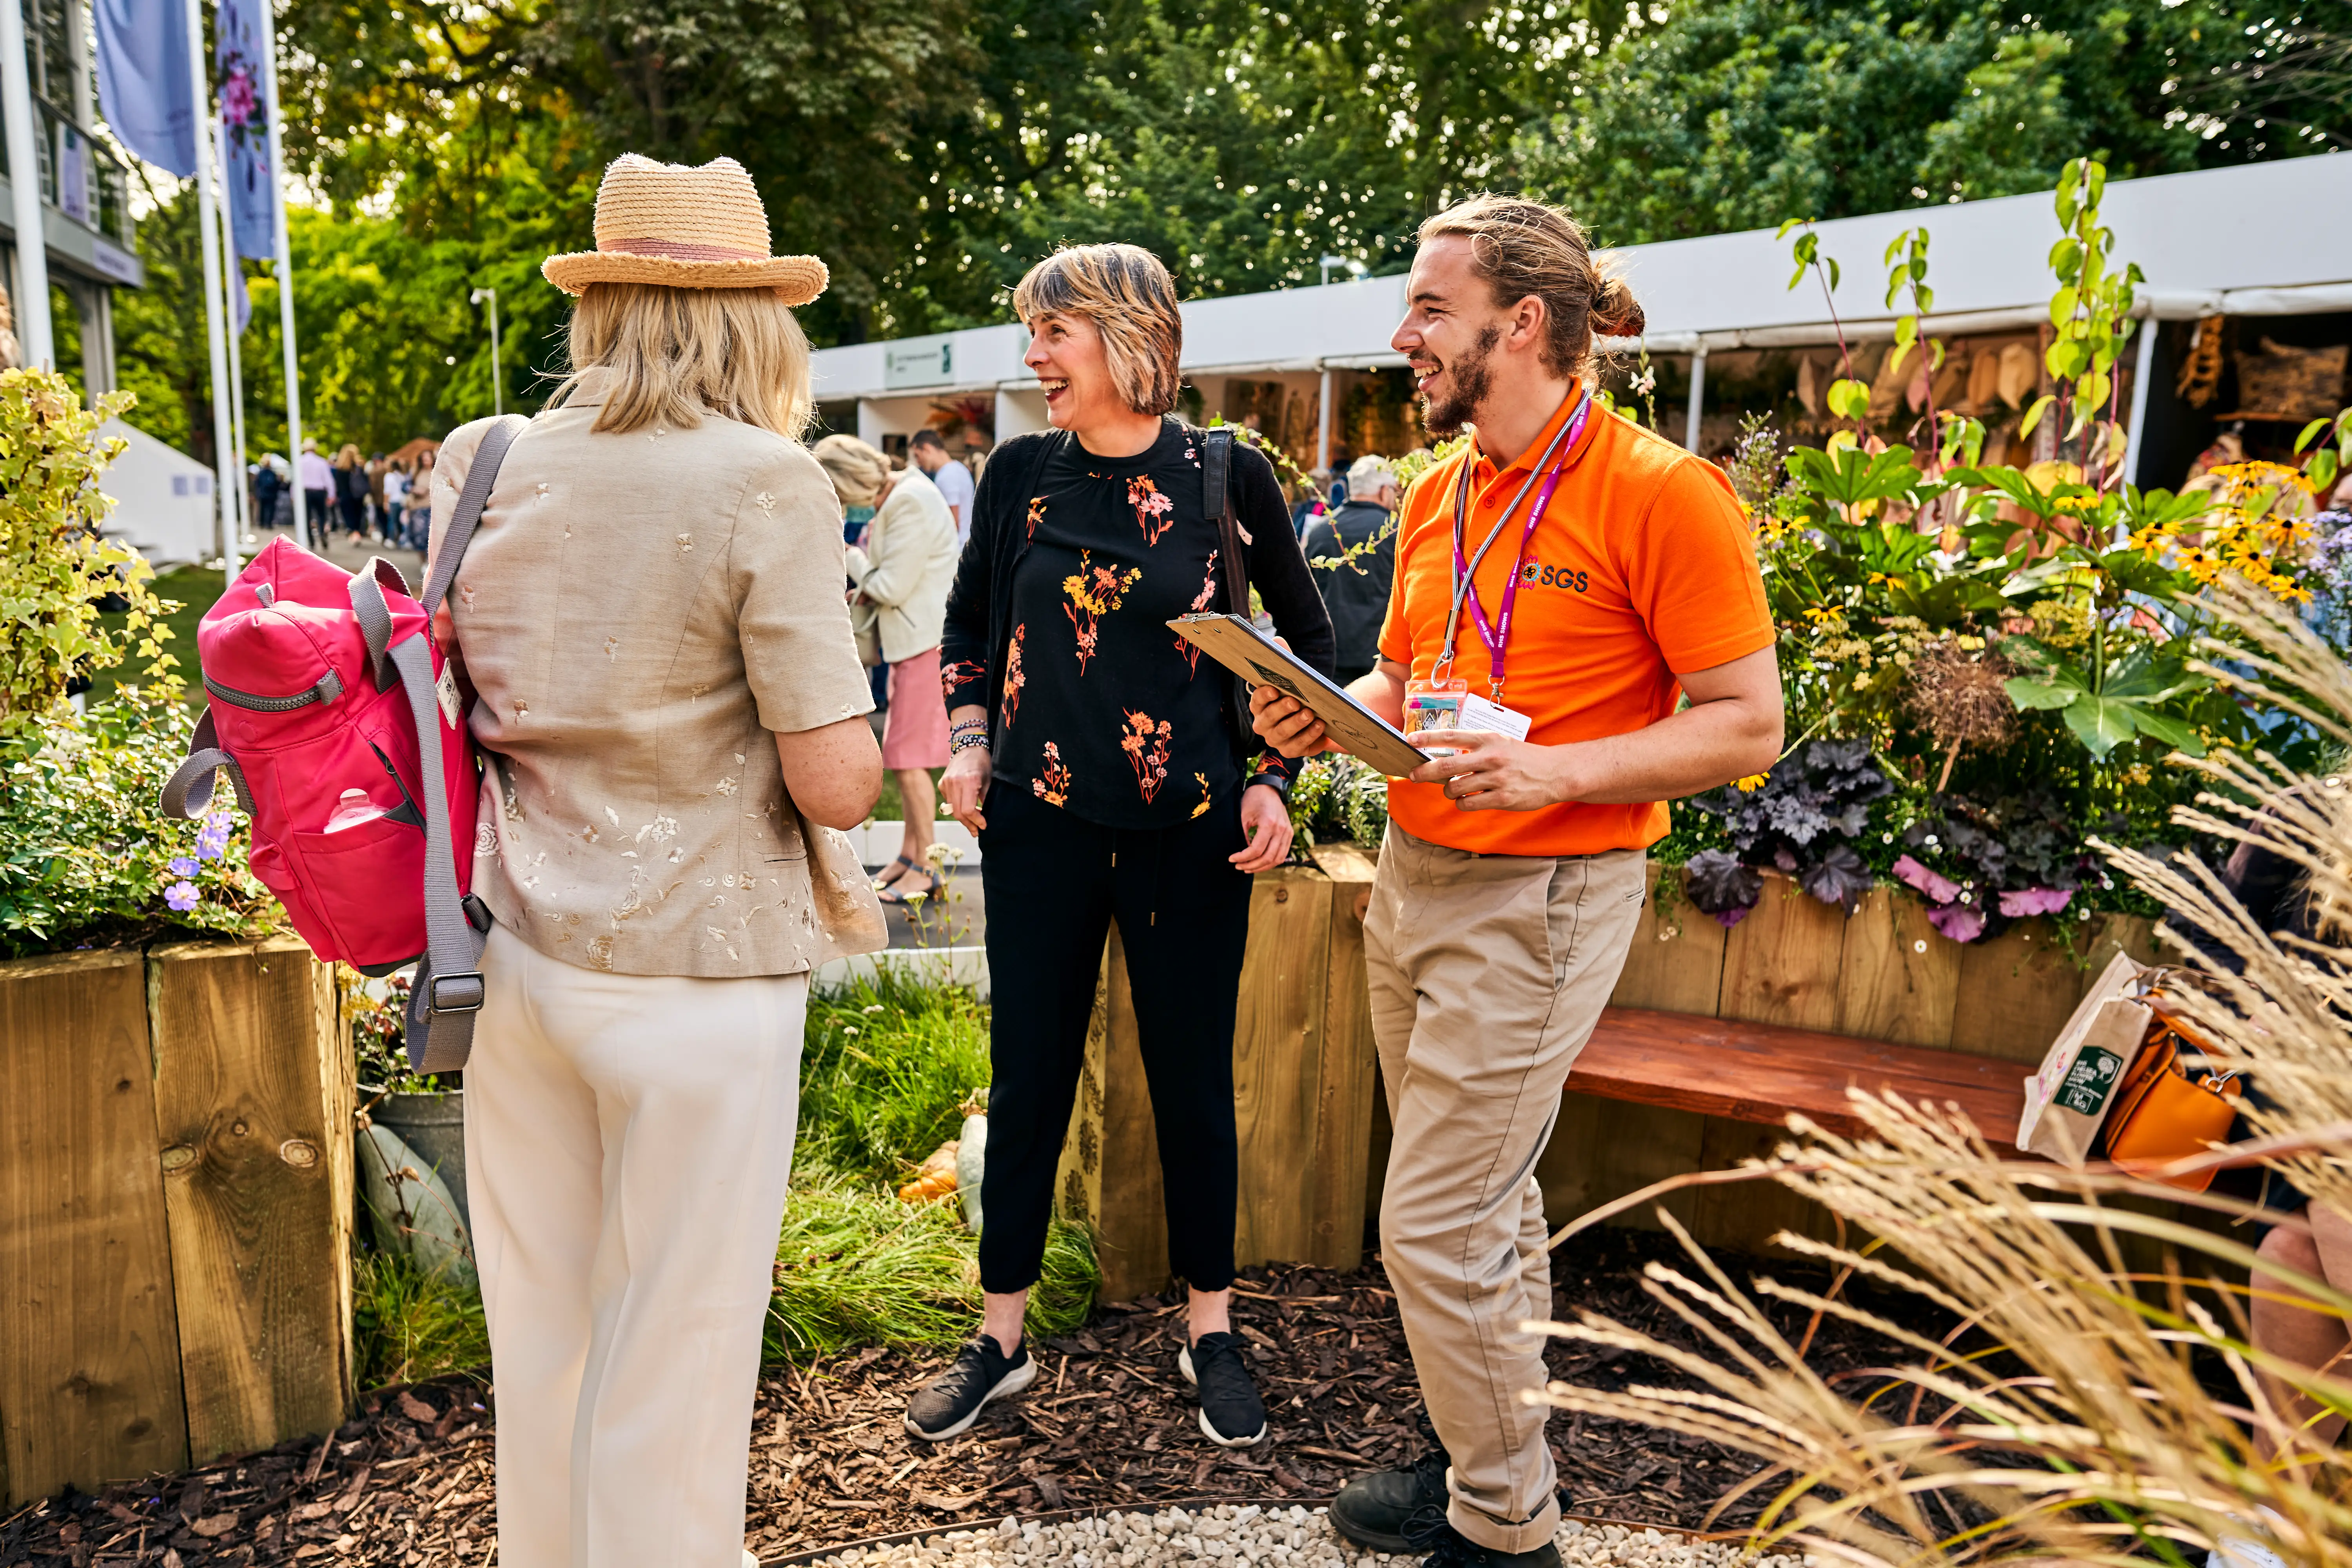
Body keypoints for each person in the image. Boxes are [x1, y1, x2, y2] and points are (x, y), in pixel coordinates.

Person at [1250, 194, 1783, 1568]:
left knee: (1436, 1218)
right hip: (1417, 873)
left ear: (1522, 322)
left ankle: (1505, 1533)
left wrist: (1555, 774)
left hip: (1545, 900)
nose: (1403, 336)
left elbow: (1746, 723)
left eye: (1430, 309)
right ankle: (1467, 1442)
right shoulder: (1442, 486)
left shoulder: (1665, 493)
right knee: (1495, 1203)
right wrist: (1330, 704)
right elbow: (1413, 676)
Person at [425, 153, 884, 1568]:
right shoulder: (767, 481)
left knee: (545, 1329)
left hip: (514, 955)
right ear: (753, 320)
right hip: (700, 966)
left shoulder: (483, 456)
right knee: (674, 1354)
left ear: (600, 308)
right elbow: (835, 776)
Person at [913, 241, 1336, 1447]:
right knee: (1030, 1074)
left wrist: (1275, 777)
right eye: (1030, 333)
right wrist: (964, 739)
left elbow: (1299, 651)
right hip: (1038, 827)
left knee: (1192, 1080)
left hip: (1191, 837)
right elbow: (964, 628)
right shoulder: (1019, 476)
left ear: (1126, 336)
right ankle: (998, 1335)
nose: (1032, 356)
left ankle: (1211, 1323)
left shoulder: (1223, 475)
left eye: (1053, 332)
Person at [813, 433, 959, 903]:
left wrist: (846, 551)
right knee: (904, 758)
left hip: (924, 646)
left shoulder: (910, 501)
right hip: (913, 646)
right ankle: (910, 856)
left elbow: (892, 586)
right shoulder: (905, 495)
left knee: (909, 761)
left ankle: (926, 867)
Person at [1302, 454, 1401, 685]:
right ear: (1384, 491)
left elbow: (1306, 593)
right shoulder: (1396, 532)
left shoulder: (1320, 531)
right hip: (1381, 662)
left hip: (1329, 655)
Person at [909, 426, 976, 544]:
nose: (918, 461)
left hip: (956, 548)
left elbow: (952, 522)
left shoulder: (947, 476)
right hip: (965, 543)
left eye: (917, 456)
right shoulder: (959, 468)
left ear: (927, 449)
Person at [297, 438, 333, 549]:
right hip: (319, 491)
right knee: (322, 515)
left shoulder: (300, 461)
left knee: (306, 516)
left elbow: (296, 479)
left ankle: (311, 539)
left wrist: (294, 494)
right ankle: (322, 532)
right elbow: (329, 480)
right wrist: (332, 494)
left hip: (305, 492)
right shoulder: (321, 462)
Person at [333, 444, 368, 538]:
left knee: (348, 516)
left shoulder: (340, 468)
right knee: (358, 516)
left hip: (345, 496)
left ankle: (353, 533)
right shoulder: (358, 467)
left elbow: (338, 485)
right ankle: (357, 532)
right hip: (358, 496)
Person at [381, 459, 412, 551]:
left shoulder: (388, 476)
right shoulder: (401, 476)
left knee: (392, 521)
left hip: (393, 501)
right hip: (402, 501)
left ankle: (391, 539)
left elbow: (387, 491)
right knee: (401, 522)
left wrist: (385, 503)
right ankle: (403, 540)